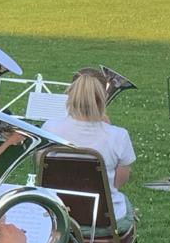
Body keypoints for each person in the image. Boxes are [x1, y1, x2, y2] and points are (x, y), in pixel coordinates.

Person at [43, 71, 137, 234]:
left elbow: (41, 169)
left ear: (70, 97)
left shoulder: (49, 128)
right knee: (125, 204)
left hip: (57, 217)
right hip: (104, 221)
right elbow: (118, 183)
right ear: (102, 99)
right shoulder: (118, 135)